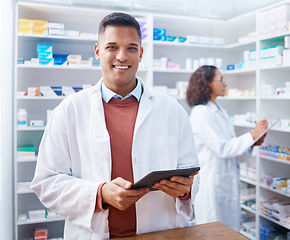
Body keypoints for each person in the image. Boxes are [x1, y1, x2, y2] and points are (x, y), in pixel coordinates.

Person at [30, 12, 199, 239]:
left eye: (131, 48)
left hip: (160, 233)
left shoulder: (172, 109)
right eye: (112, 47)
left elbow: (192, 172)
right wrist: (99, 194)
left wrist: (186, 190)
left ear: (140, 53)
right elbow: (46, 182)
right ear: (98, 52)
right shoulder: (70, 110)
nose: (122, 56)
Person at [186, 65, 268, 232]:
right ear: (206, 83)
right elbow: (222, 148)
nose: (225, 84)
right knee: (213, 232)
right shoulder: (200, 113)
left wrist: (252, 143)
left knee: (229, 231)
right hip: (212, 184)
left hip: (226, 181)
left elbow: (231, 146)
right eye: (221, 79)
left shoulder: (220, 110)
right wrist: (251, 136)